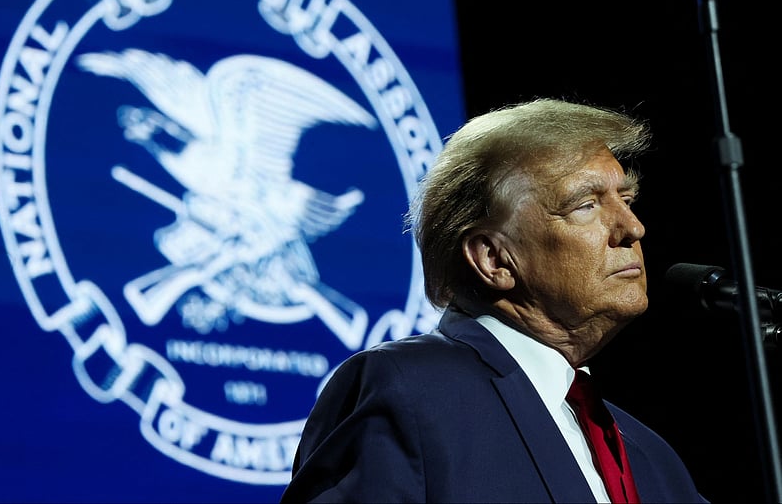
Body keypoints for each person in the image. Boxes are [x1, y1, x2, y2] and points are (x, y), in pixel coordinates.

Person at [279, 98, 707, 503]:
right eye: (586, 205)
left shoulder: (654, 461)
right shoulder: (407, 390)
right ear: (494, 259)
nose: (633, 228)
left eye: (626, 200)